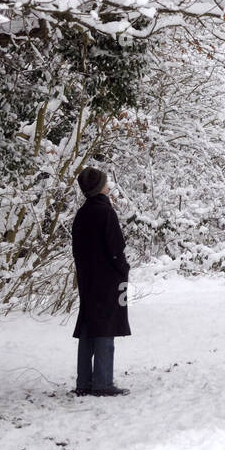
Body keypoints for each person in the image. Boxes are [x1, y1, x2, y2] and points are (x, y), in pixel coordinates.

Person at [71, 167, 131, 397]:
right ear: (99, 187)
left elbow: (77, 249)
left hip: (88, 279)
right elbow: (116, 247)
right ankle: (103, 383)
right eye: (105, 182)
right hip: (108, 280)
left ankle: (84, 382)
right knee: (106, 327)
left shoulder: (82, 213)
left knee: (88, 327)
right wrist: (123, 269)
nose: (109, 186)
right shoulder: (105, 212)